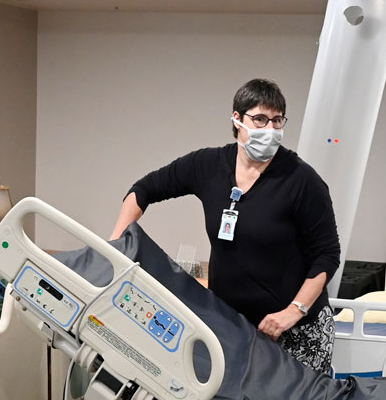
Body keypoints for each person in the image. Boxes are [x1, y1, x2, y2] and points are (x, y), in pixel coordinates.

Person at [111, 79, 342, 375]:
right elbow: (142, 191)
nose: (269, 129)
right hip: (232, 327)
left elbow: (327, 255)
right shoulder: (208, 165)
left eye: (277, 120)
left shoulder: (302, 181)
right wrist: (115, 245)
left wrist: (293, 311)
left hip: (295, 332)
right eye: (259, 119)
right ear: (236, 119)